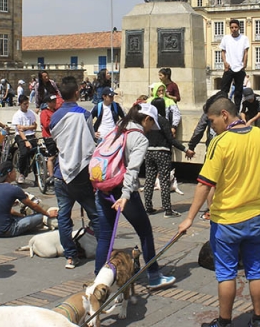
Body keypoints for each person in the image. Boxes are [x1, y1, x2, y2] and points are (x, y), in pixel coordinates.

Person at [177, 96, 260, 327]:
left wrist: (189, 218)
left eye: (211, 120)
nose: (211, 125)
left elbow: (204, 183)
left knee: (226, 274)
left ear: (225, 115)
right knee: (256, 270)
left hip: (226, 220)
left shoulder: (221, 142)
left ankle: (225, 322)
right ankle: (258, 320)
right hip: (256, 217)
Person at [94, 103, 176, 289]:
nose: (150, 130)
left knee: (106, 237)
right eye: (151, 124)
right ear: (146, 119)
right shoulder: (138, 138)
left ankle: (98, 282)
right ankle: (154, 276)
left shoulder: (116, 129)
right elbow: (132, 170)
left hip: (103, 188)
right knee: (145, 232)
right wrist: (125, 195)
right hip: (123, 191)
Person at [50, 76, 101, 269]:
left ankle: (70, 256)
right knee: (95, 215)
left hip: (60, 173)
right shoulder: (84, 114)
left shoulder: (55, 116)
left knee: (64, 216)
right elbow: (89, 141)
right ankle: (101, 249)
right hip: (80, 173)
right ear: (77, 93)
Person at [143, 97, 194, 217]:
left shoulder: (148, 120)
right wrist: (186, 149)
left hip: (149, 152)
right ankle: (168, 210)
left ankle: (148, 207)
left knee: (149, 180)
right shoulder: (163, 121)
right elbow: (171, 139)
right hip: (163, 152)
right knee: (164, 181)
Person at [0, 161, 57, 237]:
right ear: (9, 174)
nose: (16, 173)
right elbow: (33, 206)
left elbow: (9, 210)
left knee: (21, 218)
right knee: (39, 217)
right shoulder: (14, 189)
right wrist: (48, 214)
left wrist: (21, 216)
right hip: (6, 230)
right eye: (14, 171)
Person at [219, 19, 250, 110]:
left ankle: (236, 109)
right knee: (224, 89)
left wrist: (244, 64)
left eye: (236, 27)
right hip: (229, 67)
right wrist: (225, 62)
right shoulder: (226, 38)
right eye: (232, 27)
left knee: (238, 91)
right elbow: (223, 51)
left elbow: (246, 52)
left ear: (239, 28)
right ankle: (223, 107)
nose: (234, 29)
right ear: (230, 28)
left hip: (239, 68)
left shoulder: (244, 38)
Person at [11, 95, 38, 185]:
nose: (26, 106)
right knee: (24, 153)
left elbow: (35, 126)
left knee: (36, 154)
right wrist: (26, 141)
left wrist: (25, 127)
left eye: (27, 104)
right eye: (24, 104)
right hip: (21, 136)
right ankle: (22, 173)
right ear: (20, 104)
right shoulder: (17, 115)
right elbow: (20, 130)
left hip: (31, 134)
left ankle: (37, 175)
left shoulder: (31, 113)